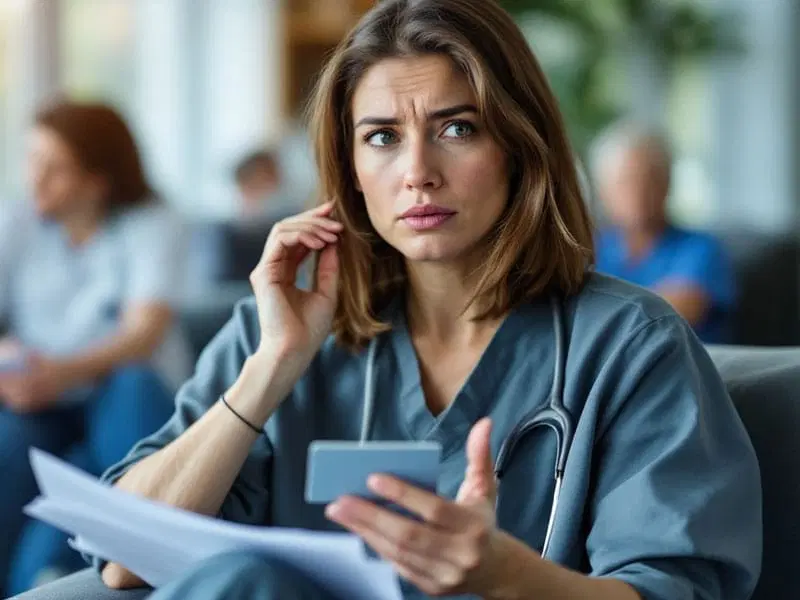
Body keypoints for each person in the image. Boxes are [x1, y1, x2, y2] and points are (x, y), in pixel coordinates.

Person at [19, 1, 760, 599]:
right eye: (380, 137)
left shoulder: (630, 345)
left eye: (457, 129)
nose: (417, 173)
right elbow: (124, 565)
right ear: (350, 167)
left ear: (519, 148)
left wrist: (507, 575)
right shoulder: (275, 332)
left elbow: (673, 588)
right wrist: (273, 365)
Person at [0, 100, 192, 596]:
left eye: (54, 168)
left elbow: (142, 334)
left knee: (130, 390)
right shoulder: (17, 222)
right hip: (44, 402)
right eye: (31, 161)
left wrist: (60, 373)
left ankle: (145, 555)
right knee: (10, 440)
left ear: (97, 181)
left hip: (123, 390)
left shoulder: (152, 222)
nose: (35, 180)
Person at [591, 121, 737, 343]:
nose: (638, 193)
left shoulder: (702, 248)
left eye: (650, 179)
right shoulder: (593, 249)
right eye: (626, 182)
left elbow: (668, 312)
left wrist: (593, 313)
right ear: (603, 191)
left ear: (668, 182)